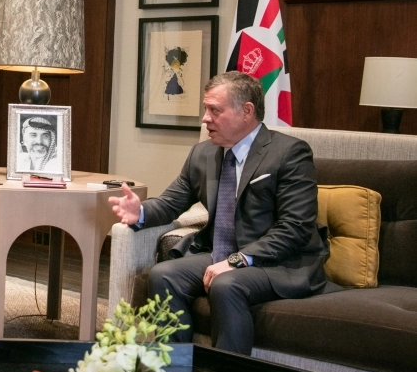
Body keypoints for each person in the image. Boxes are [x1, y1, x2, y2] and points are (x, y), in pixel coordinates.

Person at [109, 71, 328, 354]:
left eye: (215, 110)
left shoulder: (289, 153)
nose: (205, 119)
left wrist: (238, 260)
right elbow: (171, 202)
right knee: (163, 274)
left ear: (246, 111)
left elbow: (294, 227)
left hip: (280, 262)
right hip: (220, 253)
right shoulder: (202, 154)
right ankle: (176, 371)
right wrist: (140, 212)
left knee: (226, 283)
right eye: (205, 109)